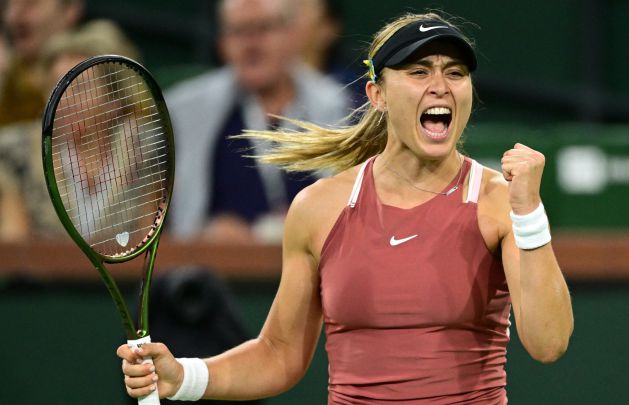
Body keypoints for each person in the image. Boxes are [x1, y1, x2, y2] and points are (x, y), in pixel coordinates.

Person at [117, 12, 574, 404]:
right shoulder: (319, 208)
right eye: (419, 72)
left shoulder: (500, 202)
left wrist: (529, 214)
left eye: (455, 72)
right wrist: (184, 377)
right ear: (377, 94)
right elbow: (279, 353)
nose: (440, 86)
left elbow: (549, 343)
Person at [166, 0, 351, 244]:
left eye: (264, 28)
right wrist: (203, 233)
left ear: (292, 35)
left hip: (318, 268)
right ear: (222, 44)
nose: (251, 44)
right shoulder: (185, 111)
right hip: (218, 271)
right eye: (239, 32)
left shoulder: (341, 108)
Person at [0, 19, 140, 241]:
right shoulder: (12, 152)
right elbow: (14, 247)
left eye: (81, 88)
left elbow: (149, 237)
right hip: (41, 275)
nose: (63, 100)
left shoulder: (148, 148)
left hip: (126, 276)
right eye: (55, 86)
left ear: (115, 100)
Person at [0, 0, 84, 126]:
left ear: (70, 10)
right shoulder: (5, 77)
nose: (13, 16)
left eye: (31, 4)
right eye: (8, 6)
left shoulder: (98, 71)